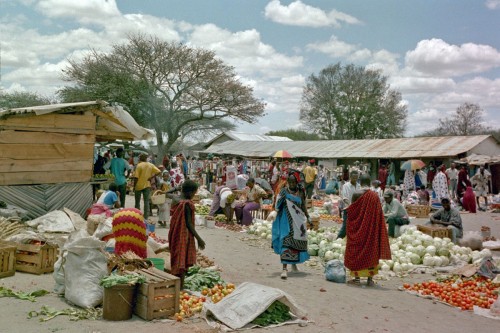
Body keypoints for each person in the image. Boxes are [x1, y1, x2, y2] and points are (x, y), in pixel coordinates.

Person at [344, 188, 391, 286]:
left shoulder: (356, 194)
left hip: (358, 228)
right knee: (371, 251)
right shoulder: (375, 196)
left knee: (356, 250)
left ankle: (357, 279)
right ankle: (370, 279)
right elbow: (379, 213)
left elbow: (352, 211)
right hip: (371, 228)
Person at [272, 173, 310, 280]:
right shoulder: (284, 191)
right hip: (286, 221)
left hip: (298, 222)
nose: (292, 184)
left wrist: (308, 217)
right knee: (286, 242)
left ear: (297, 182)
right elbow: (278, 204)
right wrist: (275, 212)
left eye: (294, 182)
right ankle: (284, 269)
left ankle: (294, 264)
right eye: (290, 182)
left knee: (297, 243)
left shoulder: (301, 192)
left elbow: (303, 205)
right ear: (287, 182)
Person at [168, 180, 205, 287]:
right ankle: (181, 287)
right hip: (183, 235)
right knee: (182, 259)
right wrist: (199, 239)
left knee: (176, 256)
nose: (194, 196)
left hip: (174, 233)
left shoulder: (176, 199)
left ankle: (175, 284)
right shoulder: (187, 204)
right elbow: (189, 224)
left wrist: (177, 188)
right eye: (194, 193)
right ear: (189, 192)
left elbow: (165, 193)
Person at [132, 153, 161, 222]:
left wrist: (134, 186)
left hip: (138, 186)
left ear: (140, 158)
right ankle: (145, 217)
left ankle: (137, 216)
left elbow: (136, 177)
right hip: (147, 185)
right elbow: (159, 172)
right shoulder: (150, 165)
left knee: (137, 202)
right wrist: (151, 177)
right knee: (146, 202)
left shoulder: (139, 165)